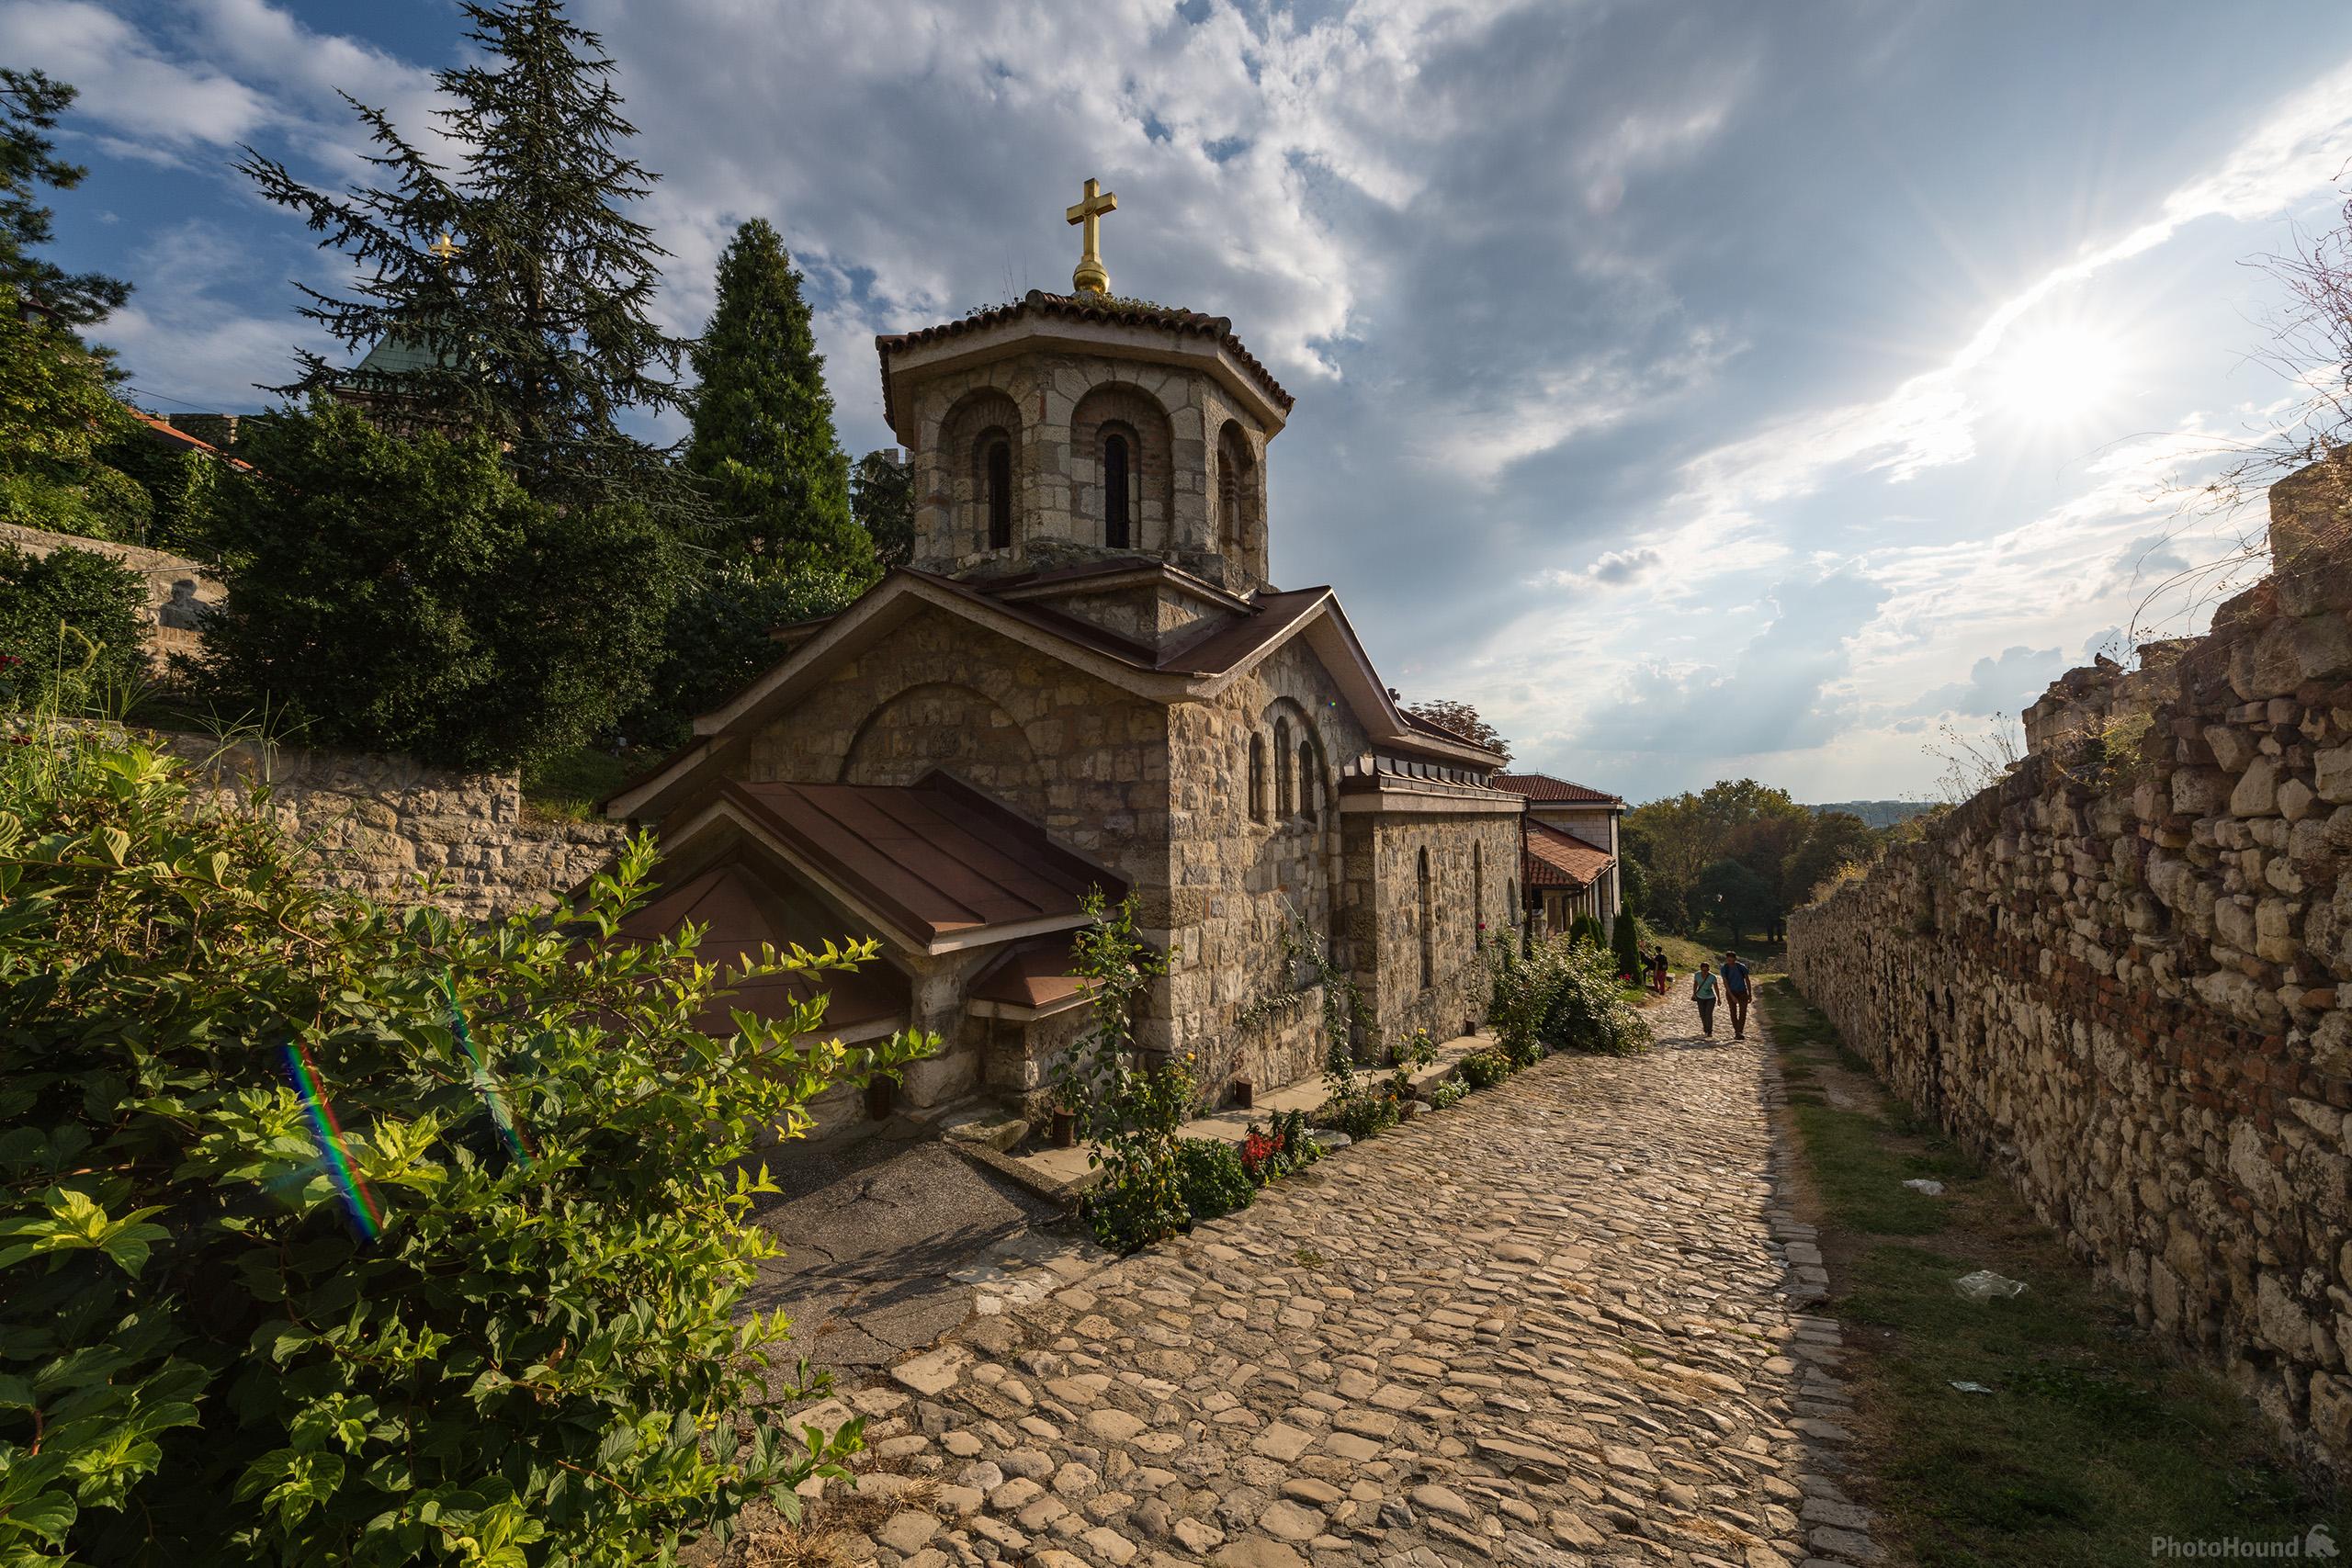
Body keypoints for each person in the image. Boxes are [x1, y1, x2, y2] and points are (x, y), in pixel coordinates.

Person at [1722, 950, 1753, 1040]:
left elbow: (1747, 980)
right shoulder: (1725, 968)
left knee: (1743, 1012)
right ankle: (1737, 1031)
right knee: (1733, 1012)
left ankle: (1739, 1030)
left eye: (1732, 960)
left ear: (1735, 959)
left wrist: (1750, 994)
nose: (1730, 962)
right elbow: (1725, 983)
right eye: (1728, 960)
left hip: (1742, 992)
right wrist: (1731, 996)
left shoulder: (1741, 967)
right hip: (1731, 992)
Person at [1691, 962, 1718, 1038]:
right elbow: (1695, 984)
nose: (1705, 972)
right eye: (1703, 970)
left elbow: (1716, 987)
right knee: (1702, 1014)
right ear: (1701, 969)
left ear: (1708, 970)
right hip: (1700, 997)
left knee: (1708, 1014)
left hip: (1711, 997)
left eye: (1706, 970)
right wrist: (1694, 993)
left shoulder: (1712, 977)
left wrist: (1719, 998)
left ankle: (1709, 1031)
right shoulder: (1697, 975)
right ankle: (1705, 1028)